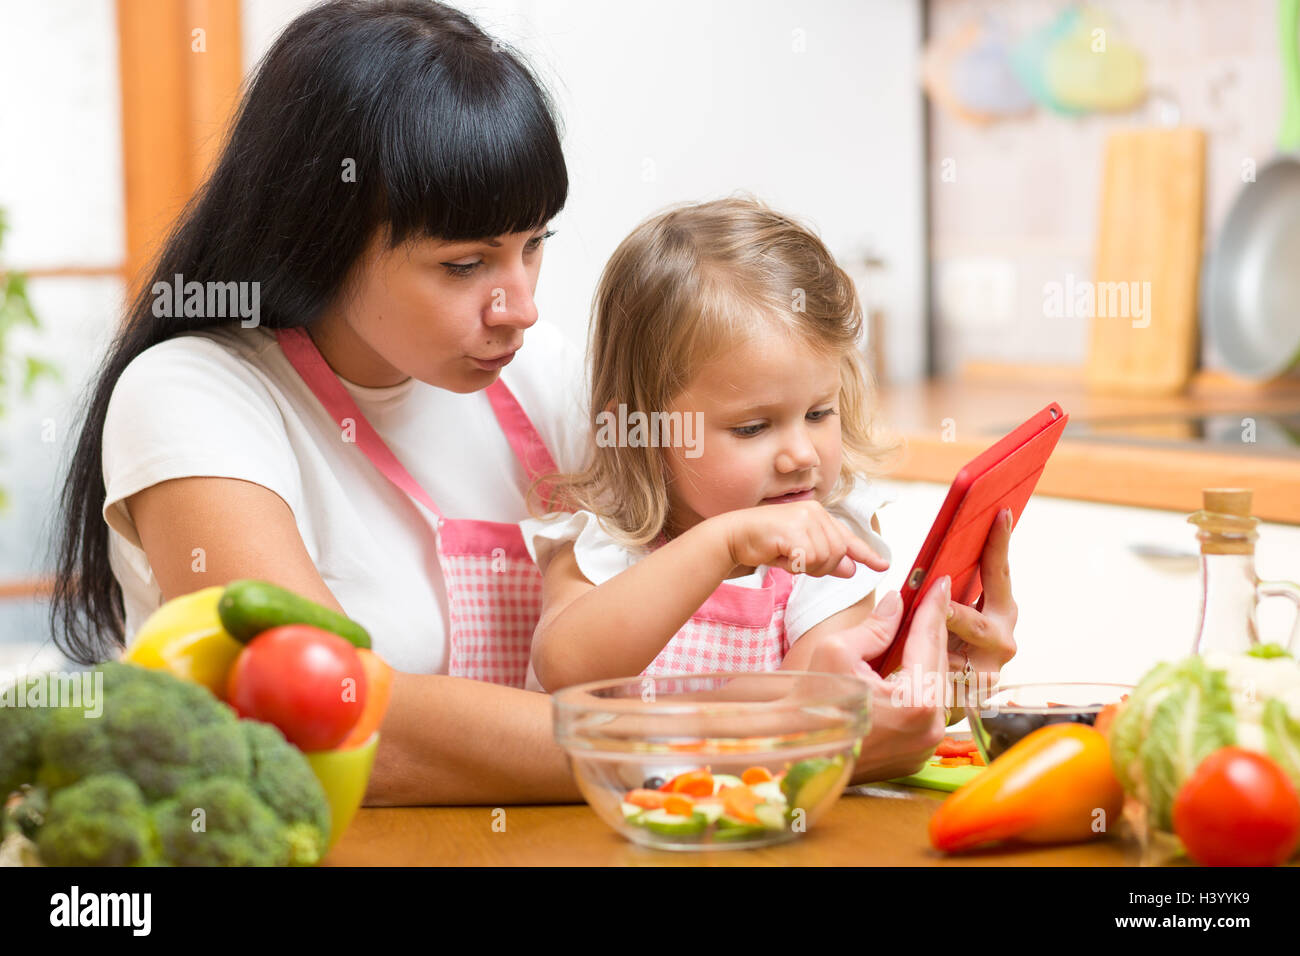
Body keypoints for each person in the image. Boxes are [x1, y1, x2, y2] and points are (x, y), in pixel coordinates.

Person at [47, 0, 1017, 805]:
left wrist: (907, 650)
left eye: (534, 243)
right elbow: (321, 714)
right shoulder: (196, 396)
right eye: (464, 264)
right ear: (320, 233)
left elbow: (730, 583)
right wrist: (779, 730)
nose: (520, 305)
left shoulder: (539, 377)